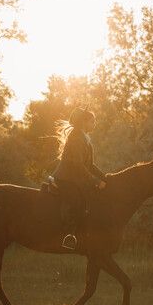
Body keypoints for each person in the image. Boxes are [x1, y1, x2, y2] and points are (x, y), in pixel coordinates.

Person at [53, 107, 107, 250]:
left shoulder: (85, 139)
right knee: (78, 202)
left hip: (74, 178)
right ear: (84, 122)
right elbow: (78, 165)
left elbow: (90, 165)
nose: (94, 124)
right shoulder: (77, 138)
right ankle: (69, 236)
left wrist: (106, 178)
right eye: (92, 121)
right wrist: (96, 181)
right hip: (65, 178)